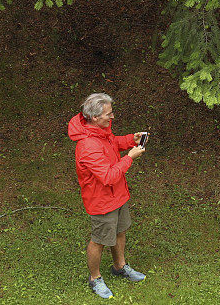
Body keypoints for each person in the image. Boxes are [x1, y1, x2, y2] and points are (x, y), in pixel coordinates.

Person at [67, 93, 147, 299]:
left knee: (120, 232)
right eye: (109, 114)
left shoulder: (101, 131)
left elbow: (112, 144)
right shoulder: (87, 146)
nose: (112, 117)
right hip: (102, 201)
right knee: (99, 241)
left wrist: (131, 140)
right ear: (94, 117)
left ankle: (119, 267)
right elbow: (108, 176)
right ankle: (95, 278)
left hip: (118, 195)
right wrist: (129, 158)